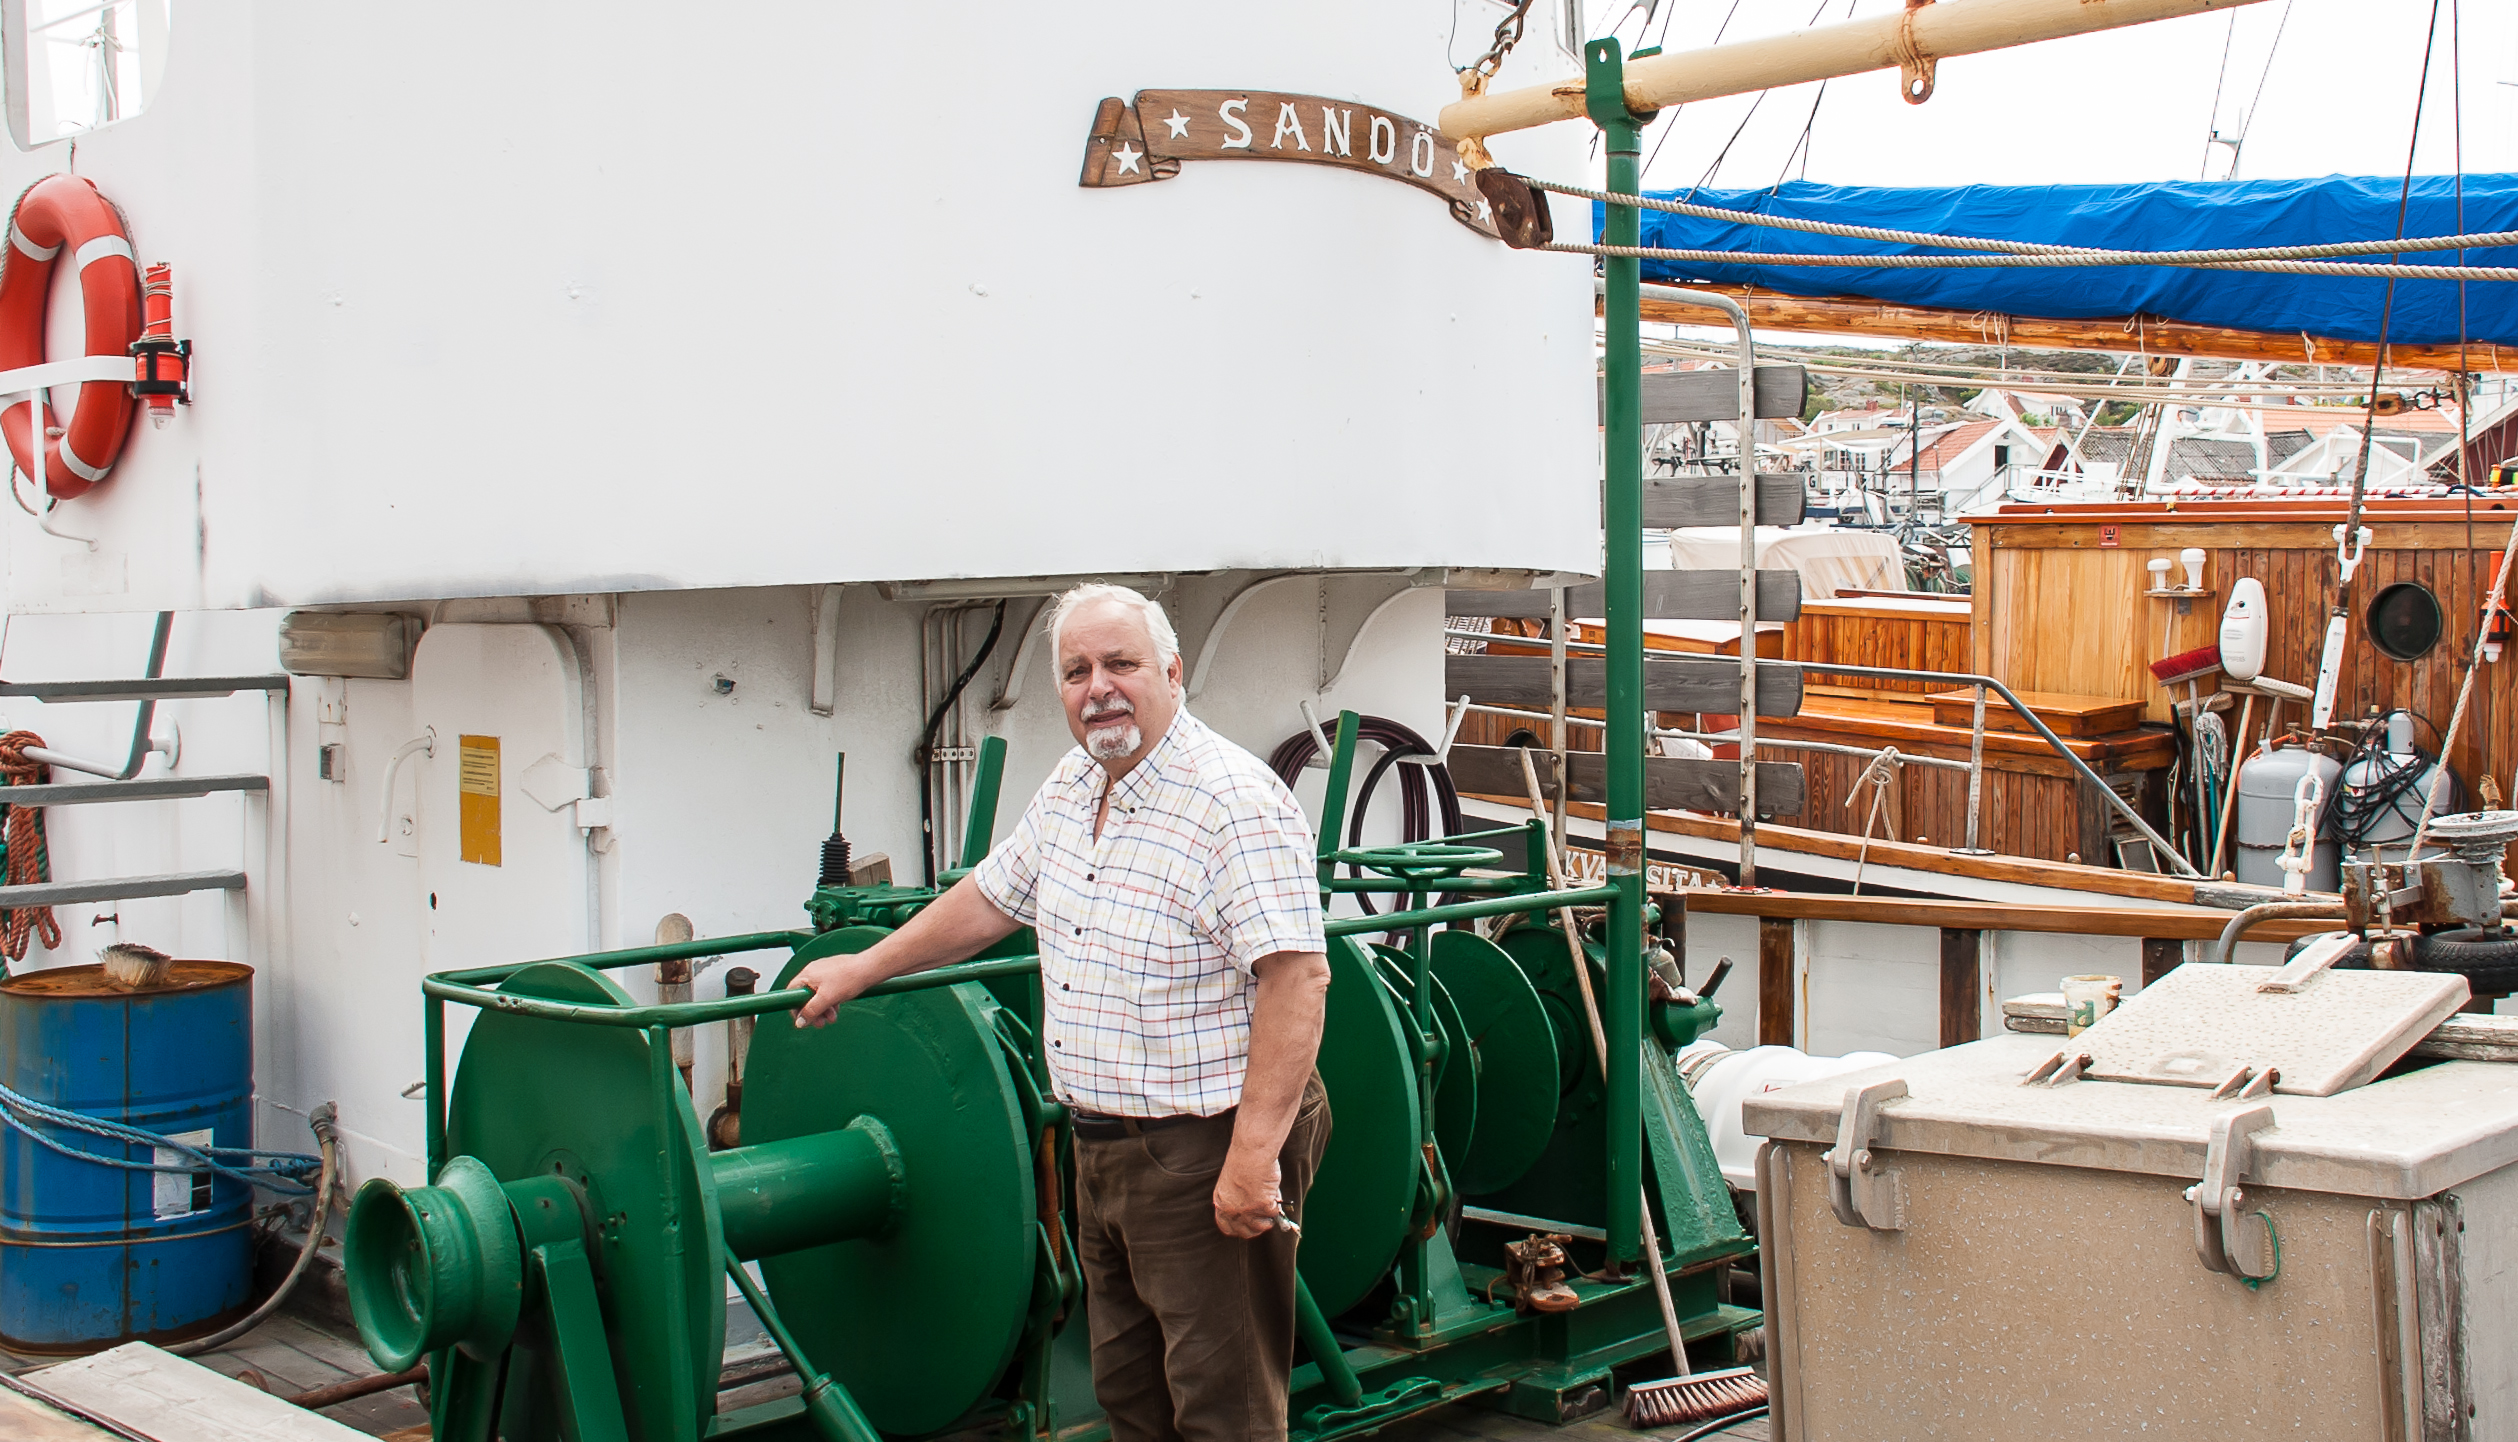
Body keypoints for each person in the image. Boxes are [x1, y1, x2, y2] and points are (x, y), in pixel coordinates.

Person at [794, 582, 1333, 1442]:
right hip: (1102, 1144)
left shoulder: (1233, 800)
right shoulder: (1080, 780)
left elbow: (1298, 980)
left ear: (1171, 670)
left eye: (1120, 663)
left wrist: (1252, 1161)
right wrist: (864, 966)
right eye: (1077, 670)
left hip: (1205, 1144)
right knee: (1130, 1394)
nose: (1099, 687)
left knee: (1221, 1409)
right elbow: (992, 898)